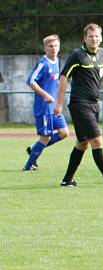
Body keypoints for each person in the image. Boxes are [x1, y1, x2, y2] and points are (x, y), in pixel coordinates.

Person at [54, 23, 103, 188]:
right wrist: (59, 104)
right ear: (84, 38)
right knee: (96, 140)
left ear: (101, 38)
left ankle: (67, 180)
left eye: (96, 36)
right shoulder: (77, 55)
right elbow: (64, 77)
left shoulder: (102, 54)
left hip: (94, 104)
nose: (94, 39)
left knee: (83, 143)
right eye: (90, 36)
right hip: (80, 104)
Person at [23, 34, 69, 172]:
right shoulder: (43, 63)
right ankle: (28, 165)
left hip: (54, 107)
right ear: (45, 48)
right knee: (45, 137)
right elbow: (30, 81)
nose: (53, 49)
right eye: (50, 46)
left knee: (64, 133)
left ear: (59, 46)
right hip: (44, 108)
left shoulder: (57, 62)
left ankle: (34, 149)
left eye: (55, 46)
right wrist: (45, 94)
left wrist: (58, 103)